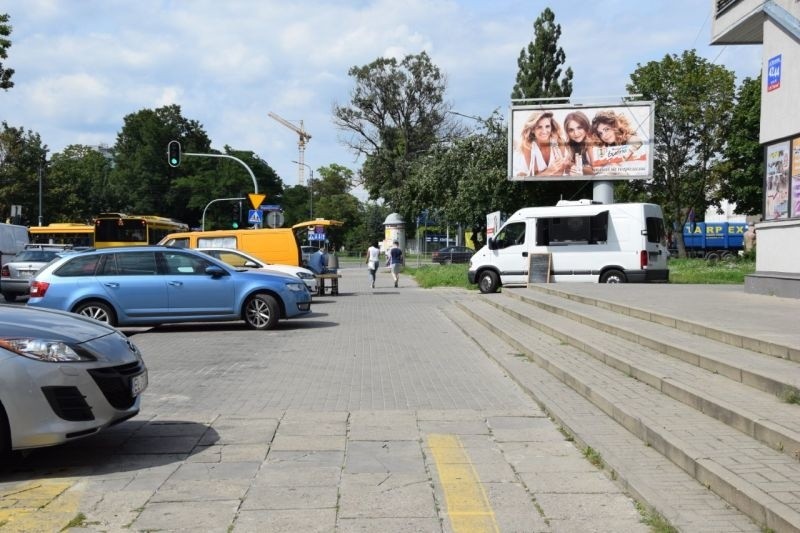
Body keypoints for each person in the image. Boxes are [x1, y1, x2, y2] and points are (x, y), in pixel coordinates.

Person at [512, 111, 569, 177]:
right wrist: (550, 170)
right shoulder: (528, 145)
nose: (544, 131)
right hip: (521, 173)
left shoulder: (558, 142)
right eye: (539, 127)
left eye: (547, 126)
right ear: (532, 129)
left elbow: (560, 173)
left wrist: (545, 173)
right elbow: (534, 177)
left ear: (551, 127)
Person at [562, 111, 597, 176]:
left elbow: (596, 172)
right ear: (567, 132)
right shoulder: (569, 145)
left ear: (586, 127)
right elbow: (566, 169)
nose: (576, 133)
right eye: (571, 130)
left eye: (579, 128)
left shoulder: (592, 142)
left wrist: (576, 167)